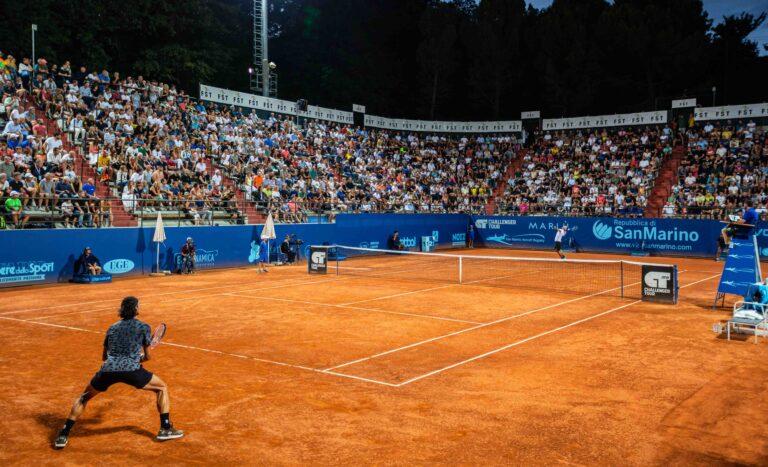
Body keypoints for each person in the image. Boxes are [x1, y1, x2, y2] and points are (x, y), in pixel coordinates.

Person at [54, 296, 183, 449]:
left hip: (108, 370)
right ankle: (165, 428)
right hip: (131, 370)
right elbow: (148, 357)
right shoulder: (143, 327)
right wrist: (138, 358)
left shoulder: (112, 328)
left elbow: (104, 357)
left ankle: (64, 433)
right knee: (162, 387)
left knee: (84, 398)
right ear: (136, 309)